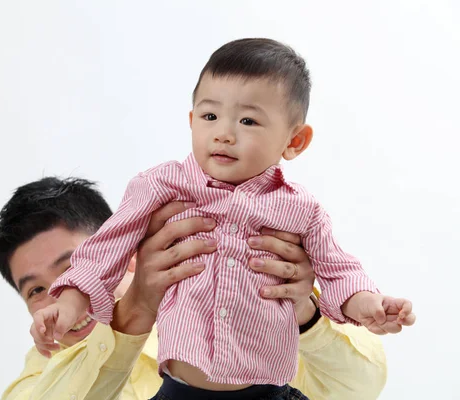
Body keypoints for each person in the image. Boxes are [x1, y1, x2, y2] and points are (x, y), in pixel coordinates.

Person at [35, 39, 415, 399]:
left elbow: (339, 270)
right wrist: (68, 305)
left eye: (248, 121)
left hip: (268, 392)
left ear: (294, 141)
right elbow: (102, 252)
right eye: (210, 115)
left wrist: (367, 303)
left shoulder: (301, 209)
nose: (223, 134)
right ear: (192, 120)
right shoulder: (160, 186)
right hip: (178, 391)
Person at [0, 177, 388, 400]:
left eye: (71, 269)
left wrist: (301, 311)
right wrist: (136, 310)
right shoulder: (45, 372)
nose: (59, 293)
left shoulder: (233, 311)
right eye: (35, 290)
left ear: (120, 252)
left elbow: (359, 388)